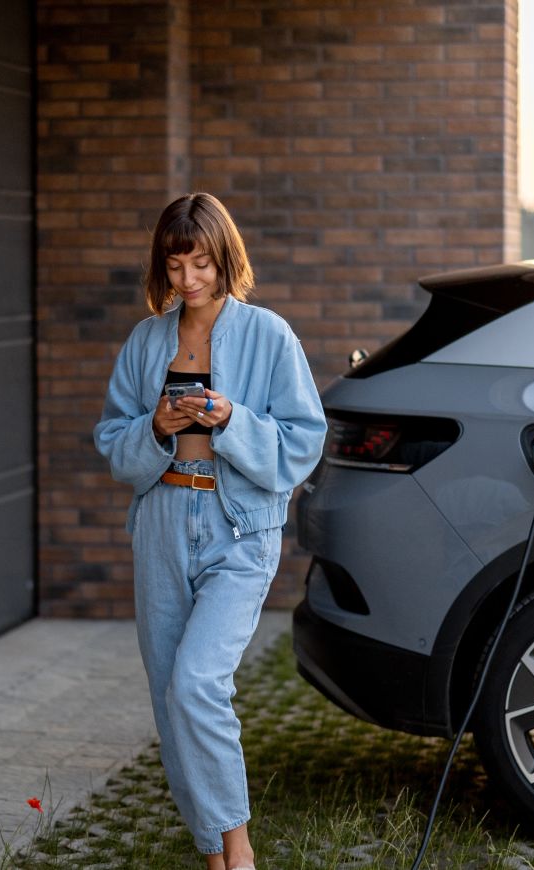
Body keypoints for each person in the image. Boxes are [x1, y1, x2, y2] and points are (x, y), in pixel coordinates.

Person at [93, 193, 326, 869]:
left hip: (238, 530)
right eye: (176, 265)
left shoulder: (269, 336)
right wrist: (154, 430)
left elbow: (303, 440)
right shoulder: (146, 341)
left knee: (197, 682)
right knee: (171, 698)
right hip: (162, 523)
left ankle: (239, 850)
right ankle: (212, 853)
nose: (189, 279)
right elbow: (112, 438)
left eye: (201, 263)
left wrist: (231, 420)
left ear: (226, 259)